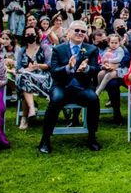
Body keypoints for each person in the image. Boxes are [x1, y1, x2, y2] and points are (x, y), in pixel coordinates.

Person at [38, 20, 101, 153]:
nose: (80, 33)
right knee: (55, 100)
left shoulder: (92, 49)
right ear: (69, 32)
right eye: (77, 30)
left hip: (82, 86)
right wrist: (67, 68)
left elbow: (96, 69)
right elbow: (54, 71)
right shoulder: (58, 49)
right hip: (62, 85)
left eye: (83, 31)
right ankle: (45, 139)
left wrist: (87, 68)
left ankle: (92, 137)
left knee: (94, 99)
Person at [16, 25, 53, 130]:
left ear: (36, 35)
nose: (29, 36)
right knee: (23, 77)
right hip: (27, 77)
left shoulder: (44, 47)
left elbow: (49, 65)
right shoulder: (21, 51)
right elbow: (18, 68)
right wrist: (27, 70)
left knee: (23, 80)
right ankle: (31, 109)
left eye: (32, 34)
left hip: (43, 78)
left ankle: (25, 116)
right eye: (27, 34)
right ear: (24, 36)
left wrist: (38, 66)